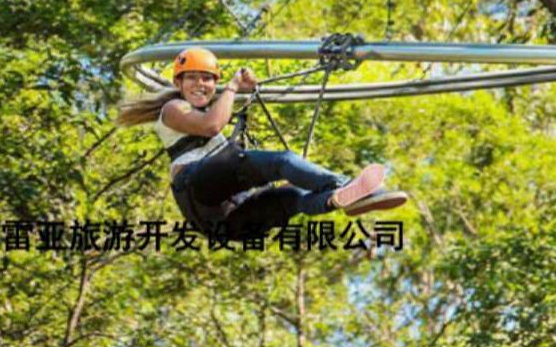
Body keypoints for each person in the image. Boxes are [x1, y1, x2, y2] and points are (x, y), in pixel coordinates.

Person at [117, 47, 407, 241]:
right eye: (192, 79)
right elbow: (211, 126)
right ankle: (349, 185)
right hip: (198, 188)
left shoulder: (206, 109)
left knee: (295, 197)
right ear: (178, 84)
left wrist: (239, 92)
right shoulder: (172, 110)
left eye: (207, 79)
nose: (200, 85)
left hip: (226, 226)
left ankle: (336, 199)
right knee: (282, 162)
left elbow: (214, 123)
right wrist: (232, 87)